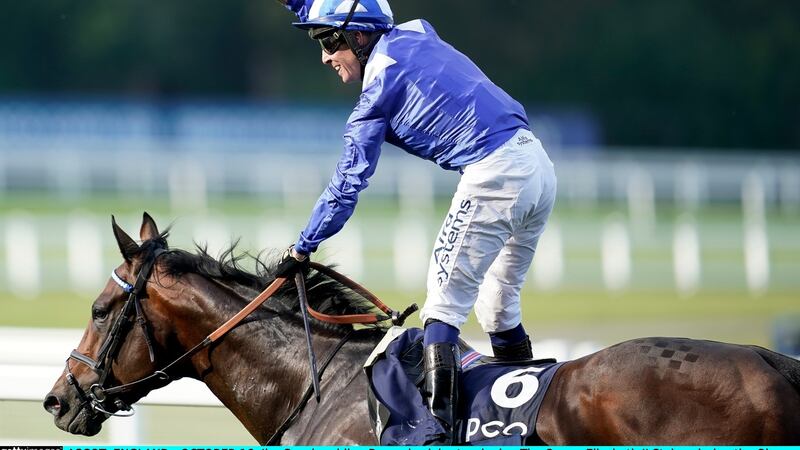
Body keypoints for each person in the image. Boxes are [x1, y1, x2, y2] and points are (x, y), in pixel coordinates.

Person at [273, 0, 557, 443]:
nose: (326, 56)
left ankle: (438, 433)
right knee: (497, 306)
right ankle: (528, 417)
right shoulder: (417, 33)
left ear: (360, 37)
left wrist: (302, 247)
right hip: (538, 166)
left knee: (441, 306)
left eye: (331, 41)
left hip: (495, 173)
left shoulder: (375, 94)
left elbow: (346, 186)